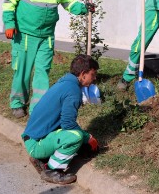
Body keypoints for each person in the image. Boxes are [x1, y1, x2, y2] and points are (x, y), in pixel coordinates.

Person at [2, 0, 95, 118]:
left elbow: (69, 2)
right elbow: (9, 2)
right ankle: (17, 103)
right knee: (22, 70)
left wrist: (83, 8)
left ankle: (37, 108)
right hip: (25, 34)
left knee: (42, 72)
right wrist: (9, 23)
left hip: (47, 36)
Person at [22, 54, 100, 185]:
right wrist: (88, 137)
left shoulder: (65, 82)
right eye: (93, 74)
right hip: (36, 144)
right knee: (76, 137)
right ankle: (52, 170)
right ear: (83, 74)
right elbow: (68, 124)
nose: (95, 78)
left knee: (76, 136)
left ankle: (43, 158)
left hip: (32, 138)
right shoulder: (73, 90)